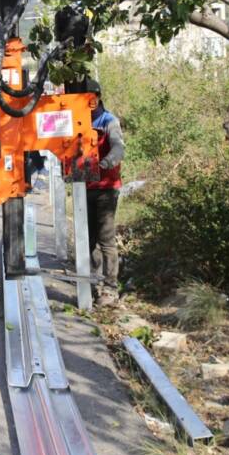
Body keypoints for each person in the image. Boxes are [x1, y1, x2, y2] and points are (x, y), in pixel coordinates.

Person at [84, 79, 125, 306]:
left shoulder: (109, 121)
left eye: (90, 97)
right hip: (84, 189)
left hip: (106, 190)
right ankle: (92, 281)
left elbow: (119, 146)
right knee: (87, 240)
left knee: (106, 239)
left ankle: (110, 289)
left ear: (97, 97)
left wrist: (108, 161)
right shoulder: (77, 119)